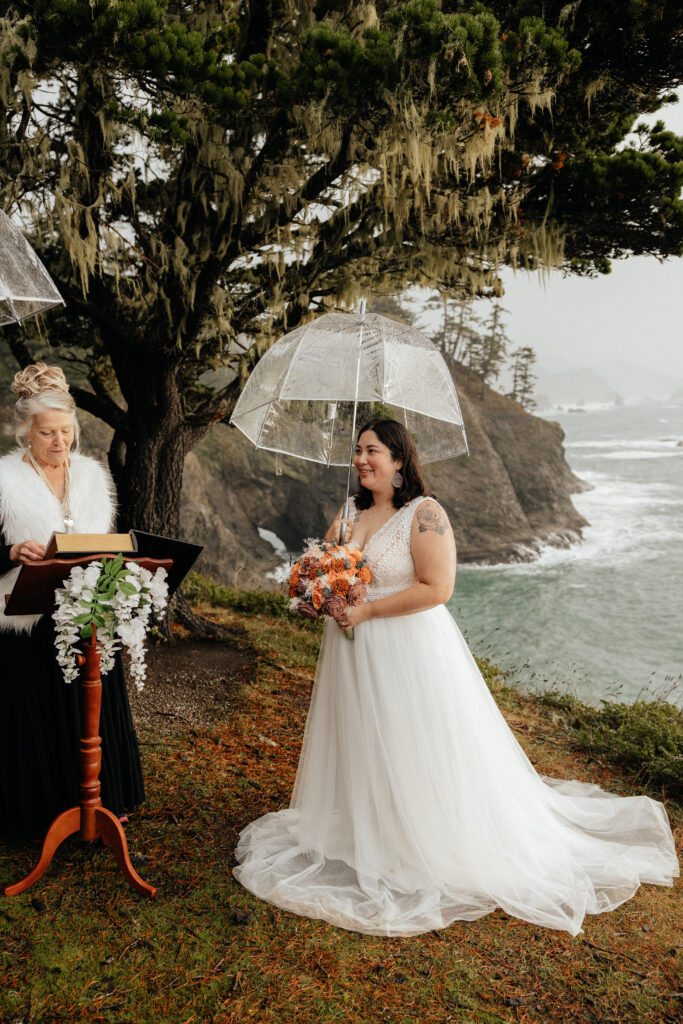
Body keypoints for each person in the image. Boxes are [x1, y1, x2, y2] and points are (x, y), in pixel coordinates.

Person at [233, 417, 679, 937]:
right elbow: (329, 570)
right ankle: (368, 828)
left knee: (412, 741)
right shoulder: (349, 513)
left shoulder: (425, 514)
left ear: (399, 461)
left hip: (406, 648)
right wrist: (318, 589)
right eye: (357, 450)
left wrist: (369, 612)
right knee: (362, 736)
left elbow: (438, 587)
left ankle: (419, 838)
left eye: (372, 450)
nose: (360, 459)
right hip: (352, 650)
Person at [0, 363, 144, 842]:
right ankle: (44, 812)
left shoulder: (92, 476)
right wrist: (10, 553)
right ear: (25, 431)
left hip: (88, 614)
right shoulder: (3, 480)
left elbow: (105, 543)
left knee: (94, 707)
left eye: (66, 431)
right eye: (47, 433)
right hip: (29, 620)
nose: (59, 442)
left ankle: (101, 803)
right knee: (38, 709)